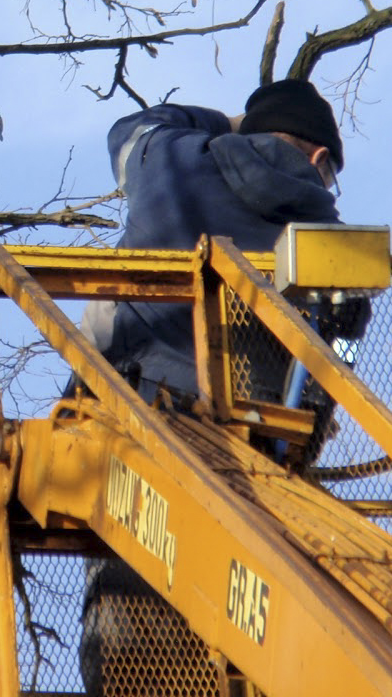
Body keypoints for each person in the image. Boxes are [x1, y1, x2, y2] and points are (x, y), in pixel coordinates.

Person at [78, 79, 351, 697]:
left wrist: (227, 124)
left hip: (132, 415)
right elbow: (340, 351)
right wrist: (317, 413)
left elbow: (128, 129)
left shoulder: (170, 156)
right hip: (249, 451)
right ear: (319, 160)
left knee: (125, 628)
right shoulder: (328, 235)